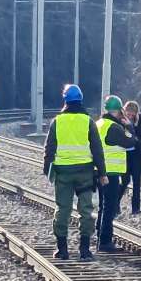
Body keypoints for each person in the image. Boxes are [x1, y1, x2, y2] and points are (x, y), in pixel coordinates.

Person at [43, 84, 107, 261]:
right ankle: (84, 250)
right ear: (81, 100)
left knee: (62, 209)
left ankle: (62, 250)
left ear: (65, 100)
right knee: (86, 210)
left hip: (63, 173)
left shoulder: (57, 121)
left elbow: (49, 148)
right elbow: (97, 150)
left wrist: (46, 168)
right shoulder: (88, 122)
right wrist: (102, 173)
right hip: (85, 173)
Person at [96, 96, 137, 252]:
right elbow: (131, 142)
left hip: (99, 170)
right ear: (119, 110)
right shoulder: (113, 127)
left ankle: (100, 236)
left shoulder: (99, 124)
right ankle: (105, 241)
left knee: (102, 206)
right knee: (110, 207)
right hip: (111, 171)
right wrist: (130, 127)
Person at [118, 100, 141, 215]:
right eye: (128, 113)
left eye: (132, 114)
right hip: (124, 153)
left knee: (137, 181)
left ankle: (136, 208)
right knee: (125, 181)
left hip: (136, 154)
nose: (130, 115)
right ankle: (115, 204)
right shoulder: (120, 120)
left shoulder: (139, 119)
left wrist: (134, 125)